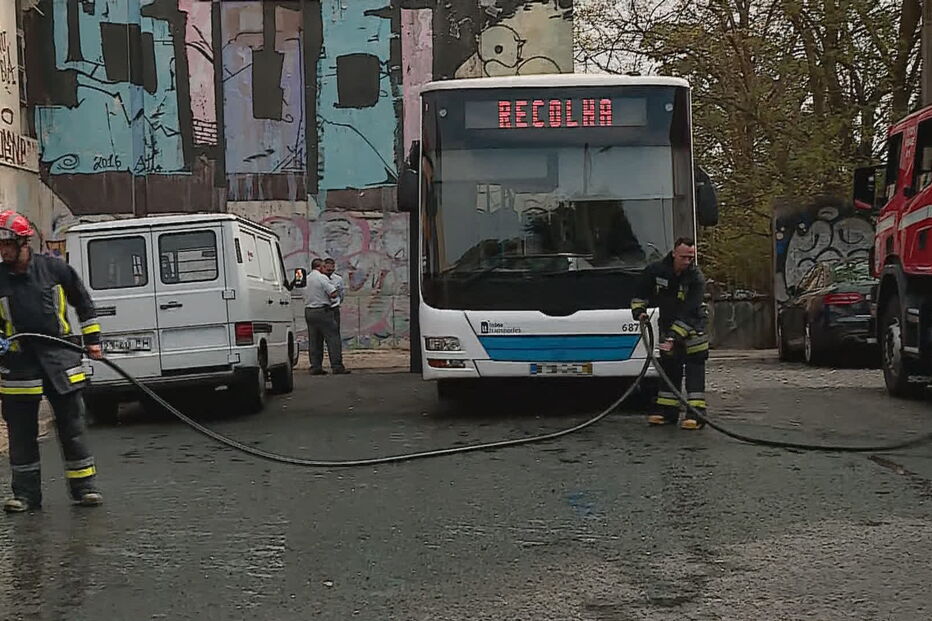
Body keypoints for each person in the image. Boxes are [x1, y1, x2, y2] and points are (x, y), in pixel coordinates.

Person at [0, 210, 104, 512]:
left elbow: (83, 302)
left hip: (60, 359)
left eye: (7, 244)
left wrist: (93, 341)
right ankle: (26, 495)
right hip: (19, 365)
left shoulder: (55, 270)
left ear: (23, 242)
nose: (3, 251)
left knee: (72, 427)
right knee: (21, 434)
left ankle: (85, 488)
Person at [630, 237, 709, 430]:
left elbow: (690, 310)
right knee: (669, 368)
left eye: (691, 257)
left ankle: (696, 414)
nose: (687, 261)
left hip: (692, 329)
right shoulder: (656, 271)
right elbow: (640, 292)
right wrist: (639, 312)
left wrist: (674, 336)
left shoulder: (696, 278)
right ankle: (667, 412)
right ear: (674, 253)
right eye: (684, 257)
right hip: (667, 325)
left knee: (694, 371)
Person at [303, 258, 349, 376]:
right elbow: (333, 293)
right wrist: (332, 296)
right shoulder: (322, 278)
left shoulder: (307, 278)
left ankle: (316, 366)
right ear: (319, 267)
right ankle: (337, 366)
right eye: (324, 267)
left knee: (314, 340)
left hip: (309, 310)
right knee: (332, 338)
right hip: (323, 311)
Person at [322, 258, 345, 333]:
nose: (330, 272)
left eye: (332, 270)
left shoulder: (338, 279)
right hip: (322, 308)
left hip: (334, 308)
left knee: (335, 331)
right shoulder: (320, 279)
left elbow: (341, 293)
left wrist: (337, 302)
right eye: (328, 270)